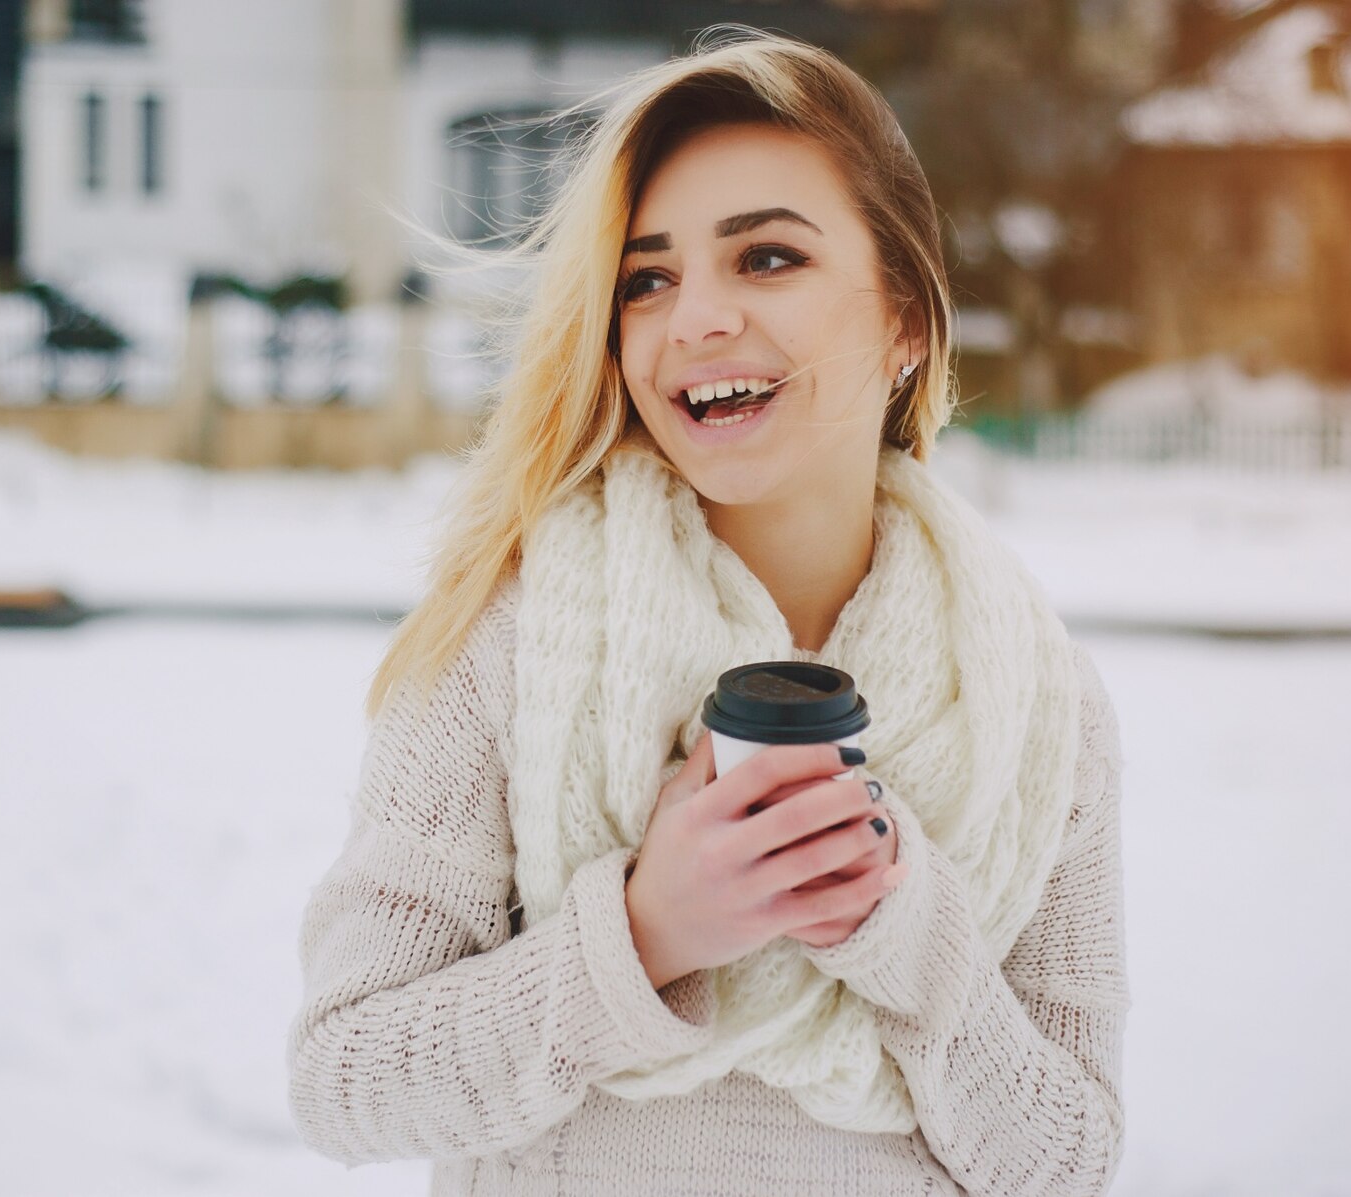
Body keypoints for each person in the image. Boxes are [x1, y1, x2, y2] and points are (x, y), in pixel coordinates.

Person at [288, 27, 1129, 1196]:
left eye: (768, 259)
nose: (694, 321)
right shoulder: (511, 642)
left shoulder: (1041, 703)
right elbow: (345, 1080)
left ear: (905, 320)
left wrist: (916, 938)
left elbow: (1070, 1162)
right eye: (648, 279)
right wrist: (644, 935)